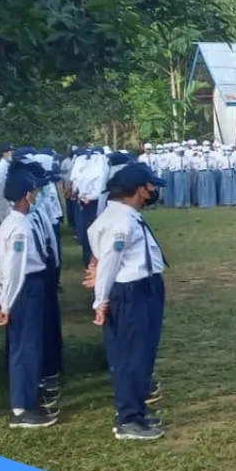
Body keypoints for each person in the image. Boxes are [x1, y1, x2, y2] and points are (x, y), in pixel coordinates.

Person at [86, 161, 169, 441]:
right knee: (131, 356)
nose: (153, 191)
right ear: (138, 190)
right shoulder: (120, 222)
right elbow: (109, 262)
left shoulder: (126, 215)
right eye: (150, 186)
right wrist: (100, 300)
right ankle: (129, 419)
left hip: (144, 287)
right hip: (132, 292)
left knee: (142, 354)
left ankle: (136, 412)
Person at [0, 166, 58, 429]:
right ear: (26, 196)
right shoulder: (18, 227)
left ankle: (28, 398)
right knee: (25, 348)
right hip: (24, 288)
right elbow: (14, 269)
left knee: (30, 345)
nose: (36, 195)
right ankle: (21, 408)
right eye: (33, 192)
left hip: (28, 285)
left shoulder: (17, 222)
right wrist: (6, 302)